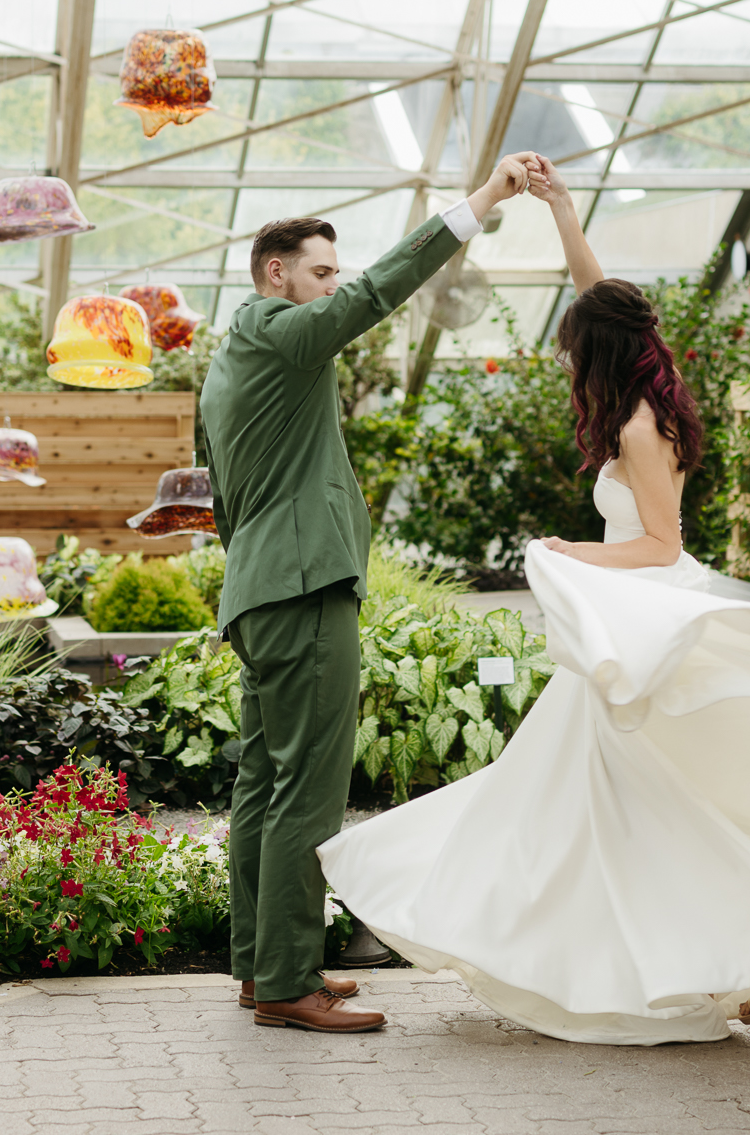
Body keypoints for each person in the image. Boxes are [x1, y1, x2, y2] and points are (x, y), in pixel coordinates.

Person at [317, 152, 750, 1044]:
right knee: (609, 796)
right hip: (636, 612)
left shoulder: (639, 426)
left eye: (571, 349)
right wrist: (560, 210)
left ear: (597, 352)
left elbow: (660, 543)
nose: (566, 359)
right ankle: (737, 945)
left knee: (633, 798)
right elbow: (603, 297)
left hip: (650, 612)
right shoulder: (643, 379)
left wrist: (570, 552)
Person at [198, 152, 540, 1035]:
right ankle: (286, 982)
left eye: (333, 272)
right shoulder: (281, 330)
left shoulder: (229, 359)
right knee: (307, 790)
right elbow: (378, 293)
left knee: (264, 783)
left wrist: (254, 580)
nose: (334, 285)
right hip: (306, 588)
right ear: (278, 275)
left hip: (260, 590)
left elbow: (225, 500)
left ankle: (261, 966)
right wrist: (481, 202)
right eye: (321, 271)